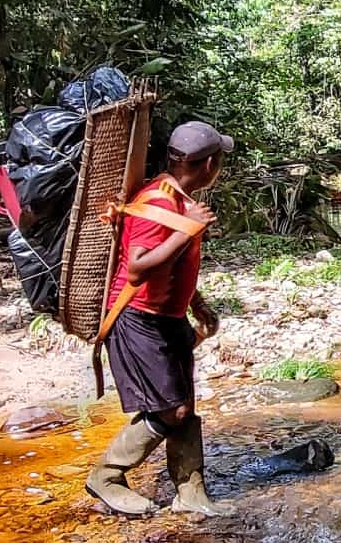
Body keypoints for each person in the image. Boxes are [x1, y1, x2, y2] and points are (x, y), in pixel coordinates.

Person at [85, 121, 234, 517]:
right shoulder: (161, 202)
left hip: (167, 318)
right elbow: (136, 269)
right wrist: (189, 229)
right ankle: (106, 476)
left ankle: (191, 493)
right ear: (207, 165)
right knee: (171, 411)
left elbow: (172, 266)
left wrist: (195, 303)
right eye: (219, 160)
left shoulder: (180, 198)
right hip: (138, 319)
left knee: (183, 403)